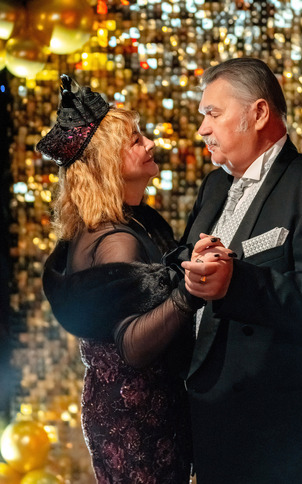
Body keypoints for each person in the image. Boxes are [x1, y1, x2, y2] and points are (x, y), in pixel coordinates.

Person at [37, 75, 229, 484]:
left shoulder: (119, 224)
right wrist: (189, 293)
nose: (150, 144)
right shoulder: (116, 240)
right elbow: (133, 347)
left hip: (125, 409)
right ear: (108, 162)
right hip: (138, 418)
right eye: (136, 141)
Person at [180, 57, 302, 484]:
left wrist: (237, 281)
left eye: (213, 114)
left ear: (259, 112)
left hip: (279, 436)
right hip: (208, 417)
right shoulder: (215, 185)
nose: (203, 129)